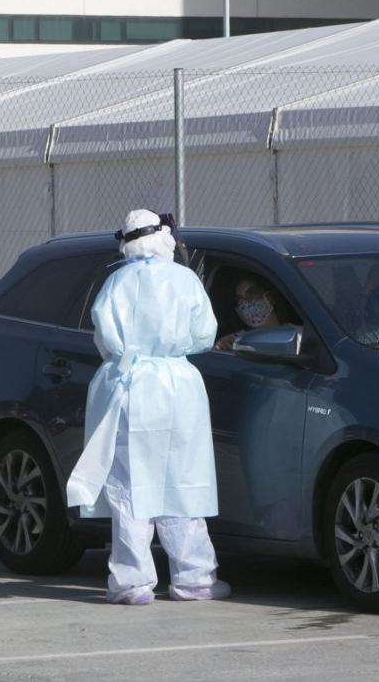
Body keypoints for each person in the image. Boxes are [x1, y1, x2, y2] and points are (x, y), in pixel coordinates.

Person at [67, 209, 230, 606]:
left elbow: (105, 337)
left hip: (127, 386)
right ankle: (194, 577)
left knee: (128, 485)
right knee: (183, 480)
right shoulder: (185, 280)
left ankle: (131, 581)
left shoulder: (115, 282)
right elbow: (204, 334)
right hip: (176, 385)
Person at [216, 274, 297, 350]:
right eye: (238, 298)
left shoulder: (298, 335)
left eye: (251, 293)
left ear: (269, 297)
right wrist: (224, 346)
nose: (243, 302)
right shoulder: (236, 340)